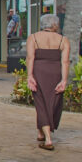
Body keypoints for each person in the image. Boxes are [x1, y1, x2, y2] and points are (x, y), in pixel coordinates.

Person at [26, 14, 70, 150]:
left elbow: (30, 58)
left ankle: (48, 140)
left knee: (41, 103)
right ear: (55, 25)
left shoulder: (33, 38)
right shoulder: (63, 40)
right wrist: (64, 80)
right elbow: (65, 62)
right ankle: (41, 133)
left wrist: (30, 76)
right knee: (52, 103)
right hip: (56, 72)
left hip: (39, 72)